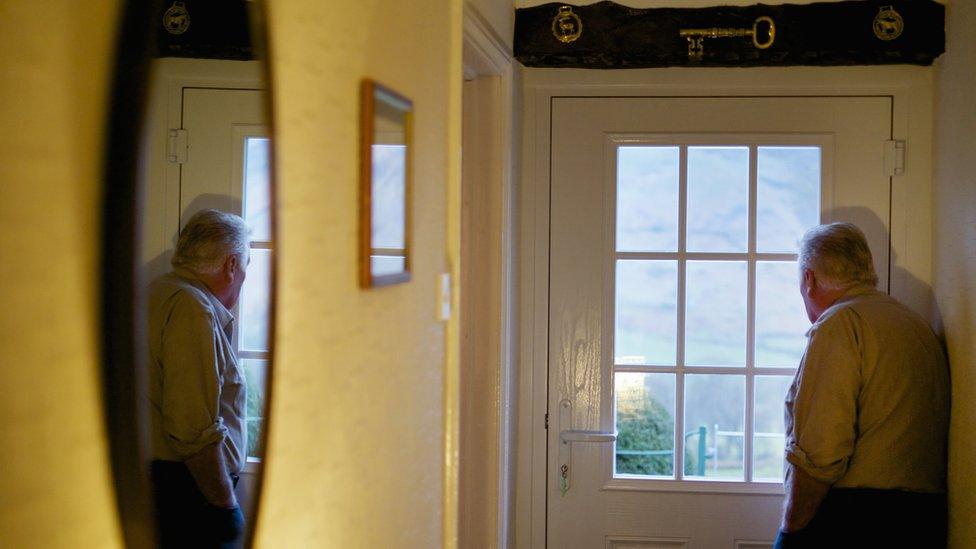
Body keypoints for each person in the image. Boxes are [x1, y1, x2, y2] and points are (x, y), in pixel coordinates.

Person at [774, 222, 949, 548]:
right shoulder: (915, 324)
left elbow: (821, 449)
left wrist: (790, 529)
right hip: (925, 517)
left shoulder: (840, 325)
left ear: (808, 279)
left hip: (857, 519)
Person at [147, 209, 250, 548]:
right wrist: (225, 505)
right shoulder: (192, 307)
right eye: (246, 265)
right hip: (189, 493)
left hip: (174, 486)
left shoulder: (161, 292)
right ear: (231, 265)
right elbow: (192, 425)